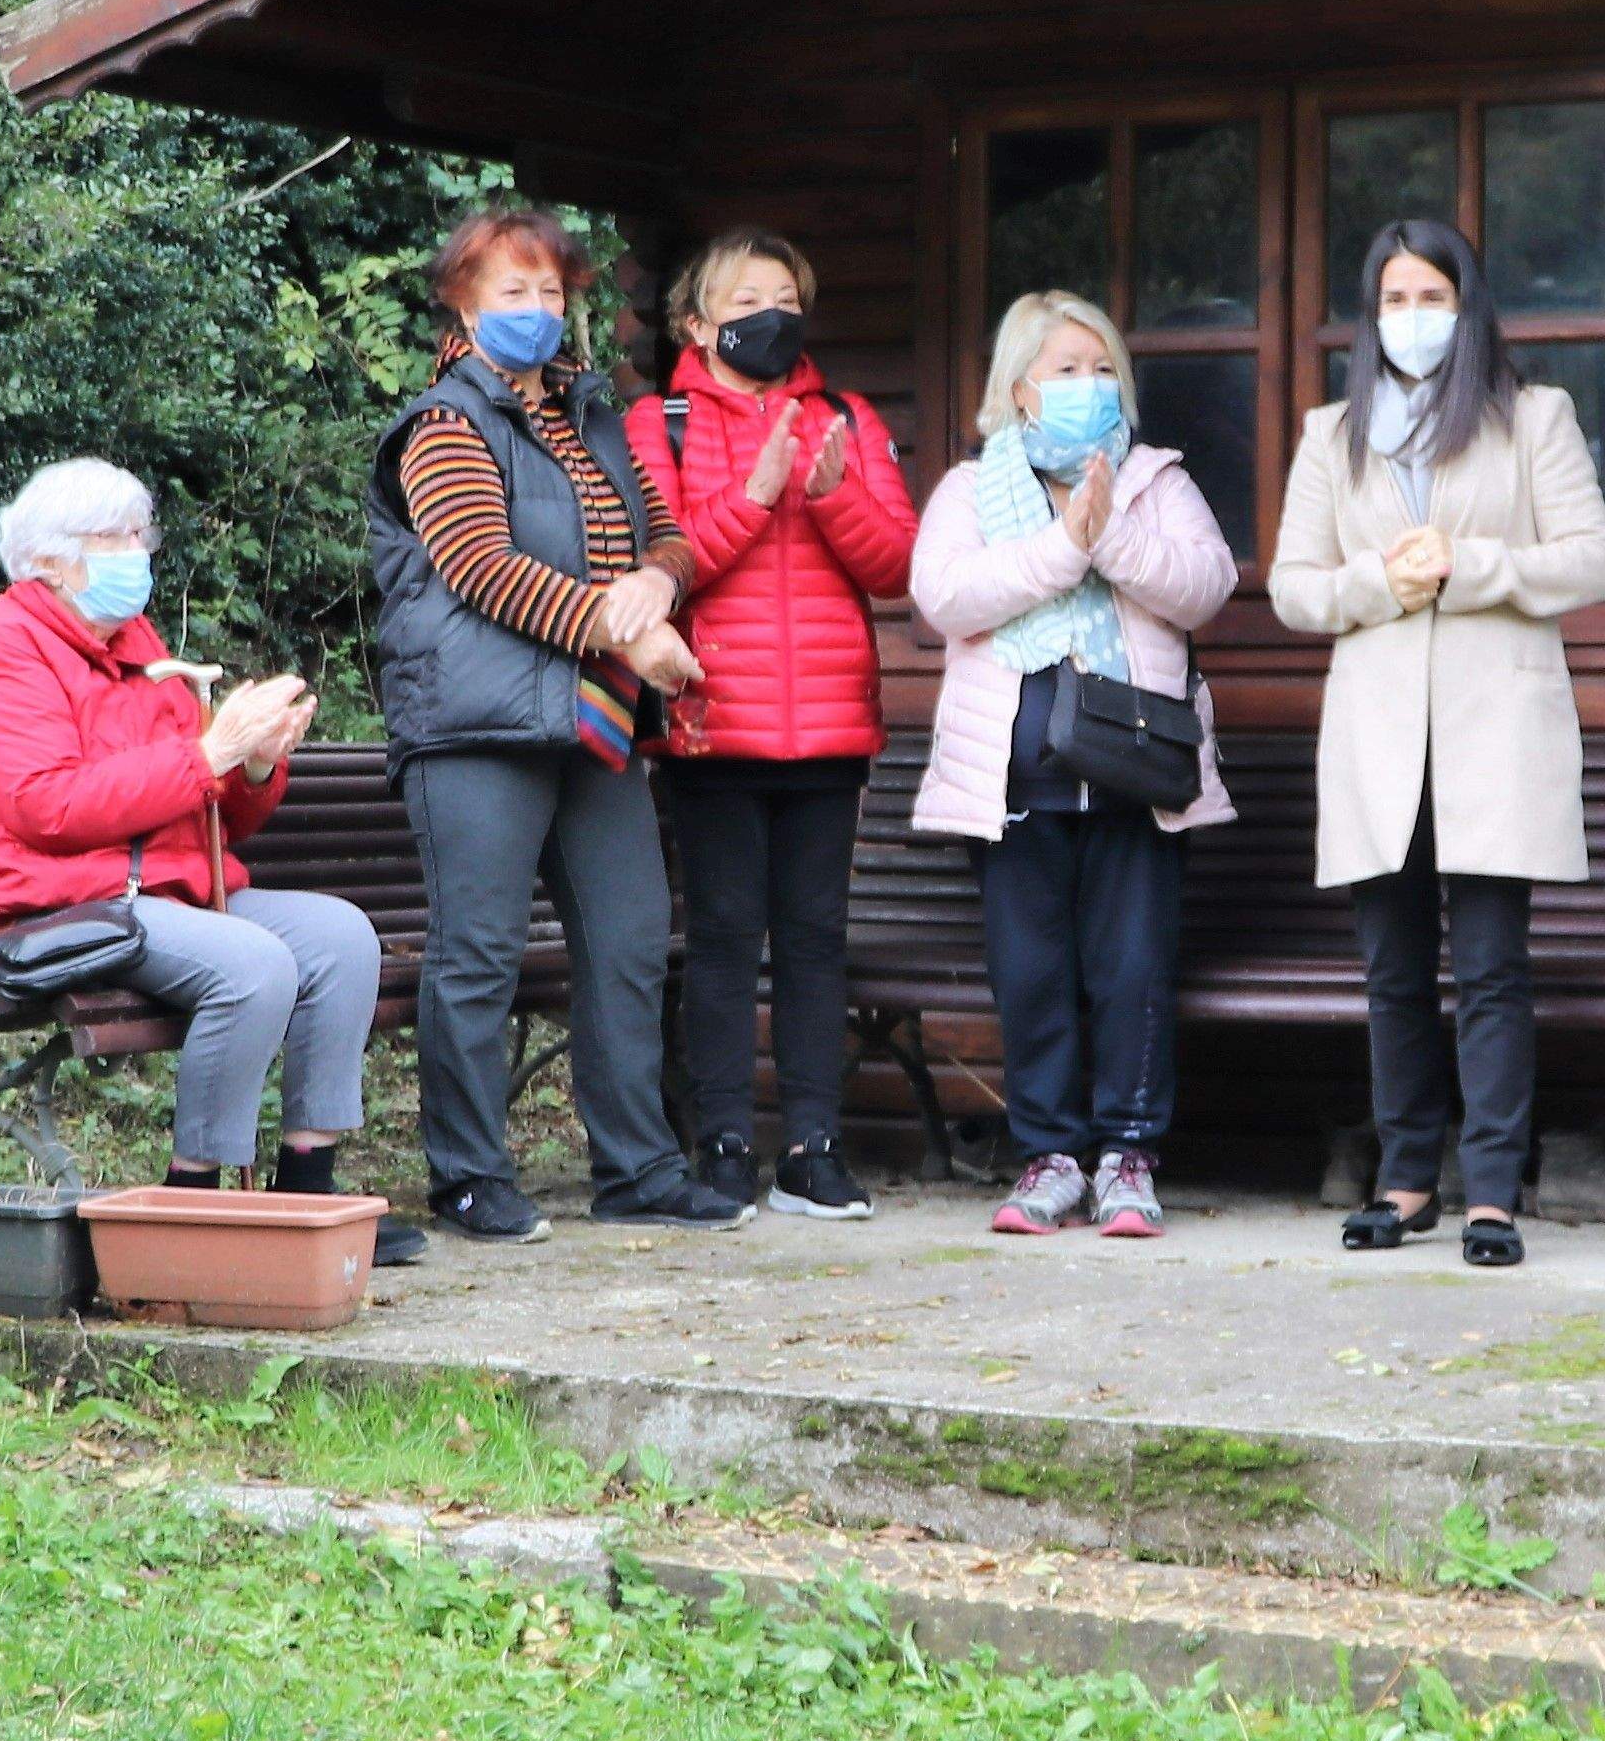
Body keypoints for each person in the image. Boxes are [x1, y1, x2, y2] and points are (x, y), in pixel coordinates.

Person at [0, 458, 411, 1257]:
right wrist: (209, 752)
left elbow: (215, 819)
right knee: (253, 962)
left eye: (139, 534)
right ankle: (191, 1203)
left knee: (340, 939)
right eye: (114, 537)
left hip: (155, 896)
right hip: (44, 910)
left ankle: (308, 1190)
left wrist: (253, 764)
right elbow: (46, 807)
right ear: (48, 559)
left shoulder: (138, 645)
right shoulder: (3, 649)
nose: (136, 552)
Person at [372, 198, 731, 1239]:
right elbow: (481, 567)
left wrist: (658, 585)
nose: (535, 307)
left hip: (590, 716)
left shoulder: (594, 412)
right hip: (474, 726)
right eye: (510, 290)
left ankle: (638, 1168)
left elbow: (667, 532)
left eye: (548, 289)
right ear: (461, 303)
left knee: (628, 942)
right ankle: (469, 1175)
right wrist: (625, 632)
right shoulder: (442, 424)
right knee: (478, 954)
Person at [1269, 218, 1605, 1267]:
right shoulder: (1330, 433)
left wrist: (1474, 565)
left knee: (1494, 969)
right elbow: (1293, 588)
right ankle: (1407, 1177)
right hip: (1378, 734)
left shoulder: (1534, 417)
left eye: (1432, 297)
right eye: (1394, 300)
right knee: (1394, 971)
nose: (1412, 317)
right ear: (1370, 316)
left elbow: (1592, 560)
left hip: (1496, 728)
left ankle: (1494, 1192)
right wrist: (1383, 581)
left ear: (1468, 309)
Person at [908, 287, 1237, 1239]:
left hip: (1137, 778)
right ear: (1020, 389)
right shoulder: (971, 490)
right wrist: (1065, 547)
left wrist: (1113, 536)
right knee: (1032, 976)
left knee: (1134, 972)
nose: (1089, 385)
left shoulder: (1155, 481)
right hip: (1014, 784)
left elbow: (1207, 585)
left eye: (1102, 370)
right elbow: (946, 596)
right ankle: (1050, 1158)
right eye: (1066, 370)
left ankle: (1128, 1158)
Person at [625, 231, 920, 1219]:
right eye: (748, 299)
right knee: (719, 938)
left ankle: (811, 1147)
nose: (773, 315)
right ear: (696, 322)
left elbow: (896, 568)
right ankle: (720, 1142)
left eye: (788, 299)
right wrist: (754, 496)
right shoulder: (658, 423)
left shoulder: (848, 417)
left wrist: (833, 495)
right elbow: (661, 566)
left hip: (829, 729)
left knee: (815, 940)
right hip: (714, 724)